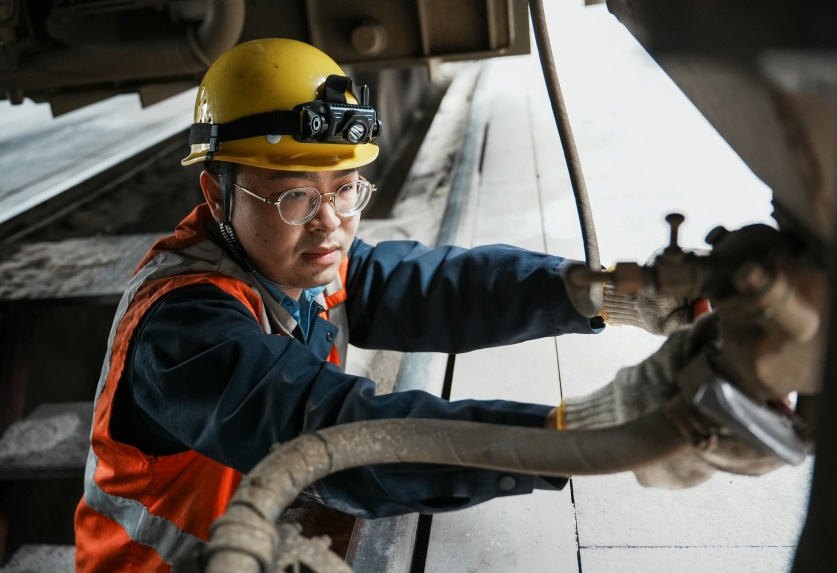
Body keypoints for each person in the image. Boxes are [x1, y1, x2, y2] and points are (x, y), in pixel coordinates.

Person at [72, 38, 710, 571]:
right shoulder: (182, 329)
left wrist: (613, 295)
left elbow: (440, 287)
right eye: (296, 198)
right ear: (217, 196)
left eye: (347, 189)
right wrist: (590, 433)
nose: (331, 227)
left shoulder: (299, 263)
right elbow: (334, 436)